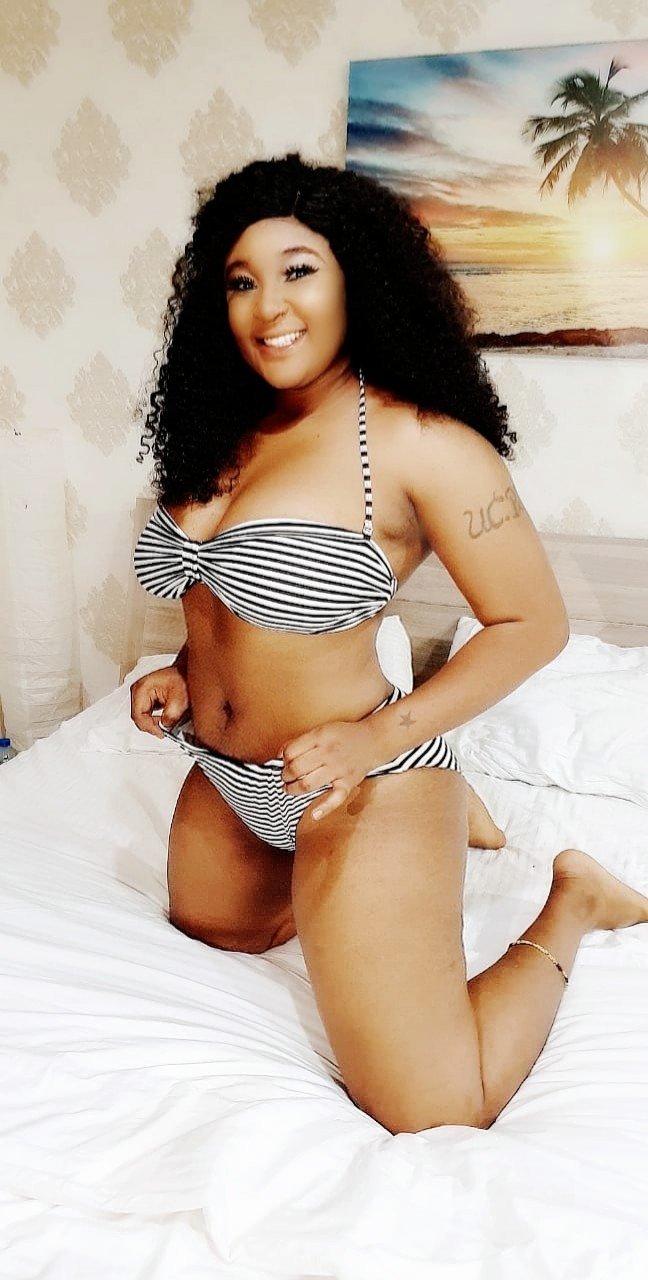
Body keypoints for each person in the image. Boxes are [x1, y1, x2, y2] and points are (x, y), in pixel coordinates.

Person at [130, 152, 648, 1135]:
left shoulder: (419, 443)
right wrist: (184, 673)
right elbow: (222, 592)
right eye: (240, 280)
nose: (267, 306)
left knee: (435, 1104)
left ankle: (574, 898)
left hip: (360, 776)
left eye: (298, 270)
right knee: (215, 931)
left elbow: (534, 624)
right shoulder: (222, 428)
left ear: (356, 280)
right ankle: (445, 838)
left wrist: (376, 737)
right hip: (230, 777)